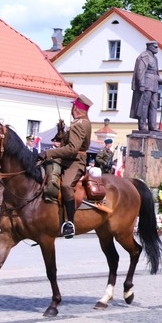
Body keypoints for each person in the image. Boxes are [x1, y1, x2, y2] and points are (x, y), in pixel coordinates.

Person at [41, 94, 93, 238]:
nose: (71, 109)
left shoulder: (80, 125)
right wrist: (62, 133)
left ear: (76, 108)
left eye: (73, 106)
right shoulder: (79, 123)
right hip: (67, 159)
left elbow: (72, 149)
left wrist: (48, 153)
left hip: (76, 161)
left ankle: (70, 222)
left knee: (66, 186)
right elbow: (69, 143)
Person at [130, 41, 160, 133]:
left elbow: (155, 72)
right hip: (146, 84)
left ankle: (152, 125)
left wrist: (161, 80)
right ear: (149, 47)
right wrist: (141, 84)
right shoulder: (144, 56)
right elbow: (140, 71)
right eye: (155, 47)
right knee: (144, 105)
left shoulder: (155, 58)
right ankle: (142, 125)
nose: (157, 49)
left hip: (154, 84)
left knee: (154, 106)